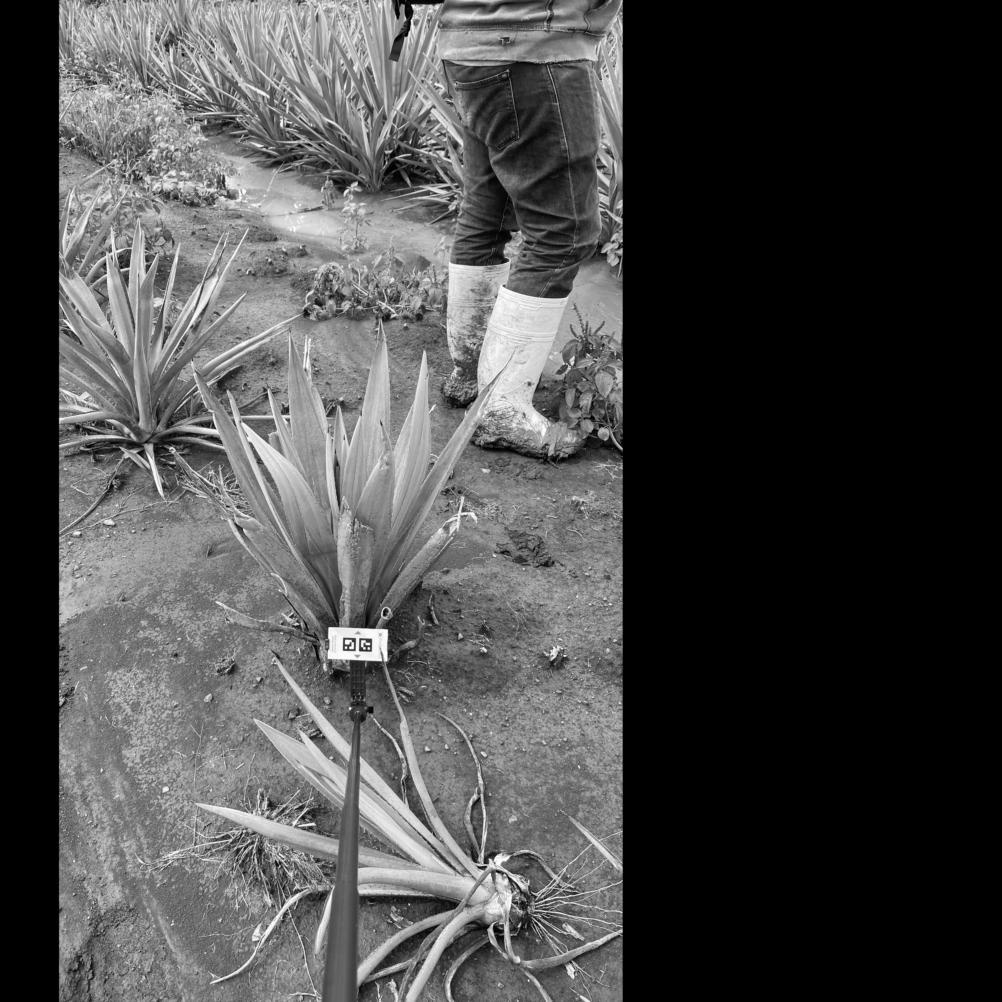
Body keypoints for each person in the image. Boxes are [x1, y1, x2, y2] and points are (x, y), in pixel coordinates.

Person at [429, 0, 623, 459]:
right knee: (565, 230)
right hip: (535, 48)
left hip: (468, 45)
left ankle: (471, 372)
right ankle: (502, 407)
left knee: (488, 209)